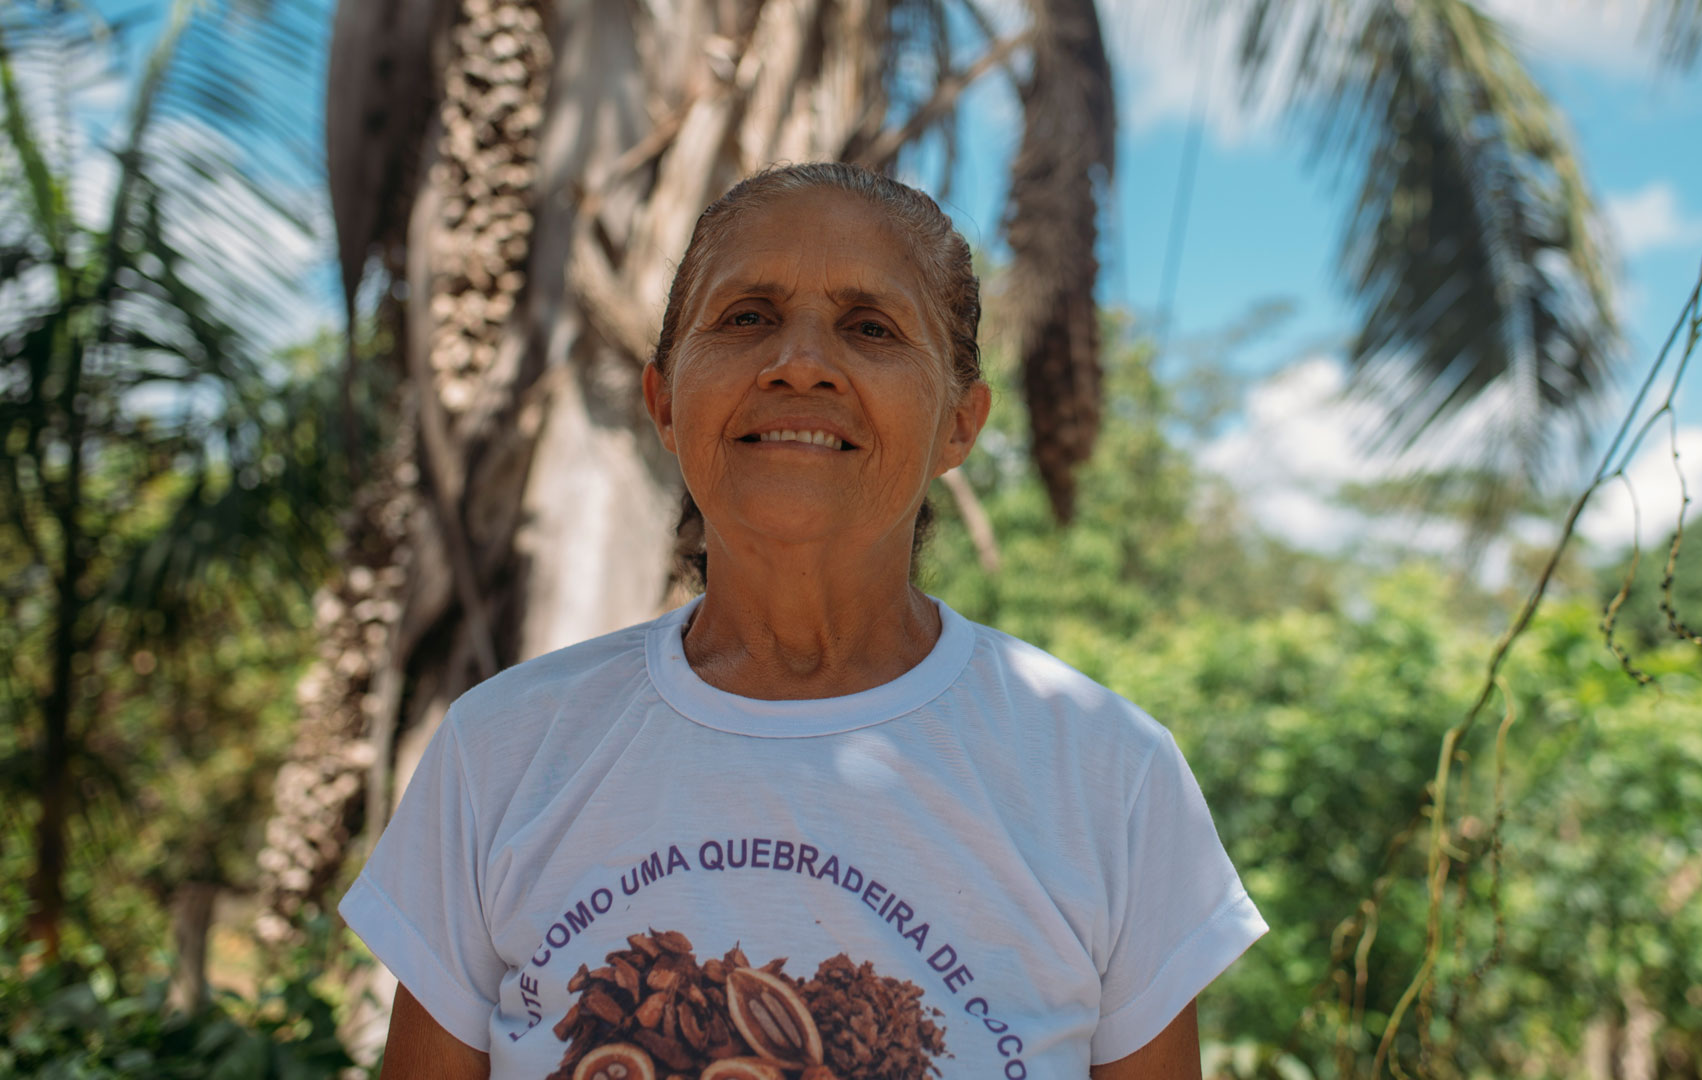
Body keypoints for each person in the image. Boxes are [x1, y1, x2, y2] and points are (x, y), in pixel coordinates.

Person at [343, 162, 1266, 1080]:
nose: (800, 365)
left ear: (960, 423)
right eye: (748, 318)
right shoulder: (501, 752)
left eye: (871, 328)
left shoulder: (1108, 777)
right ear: (664, 400)